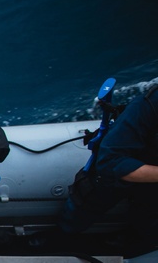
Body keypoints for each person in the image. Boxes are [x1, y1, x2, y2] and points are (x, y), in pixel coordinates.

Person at [58, 85, 158, 253]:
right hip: (118, 171)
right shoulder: (147, 106)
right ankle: (61, 239)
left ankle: (138, 240)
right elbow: (110, 162)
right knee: (84, 204)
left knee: (147, 224)